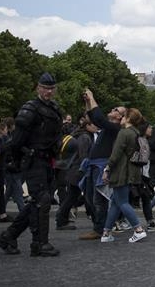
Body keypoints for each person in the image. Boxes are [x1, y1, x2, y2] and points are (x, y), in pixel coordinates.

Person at [0, 73, 64, 256]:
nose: (48, 92)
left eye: (51, 88)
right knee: (42, 200)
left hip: (46, 160)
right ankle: (39, 243)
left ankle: (8, 236)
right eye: (45, 88)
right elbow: (17, 141)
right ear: (38, 88)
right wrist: (17, 161)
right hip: (33, 159)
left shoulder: (54, 108)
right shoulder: (30, 109)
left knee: (38, 201)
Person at [79, 90, 126, 241]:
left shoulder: (116, 128)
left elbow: (98, 117)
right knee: (90, 197)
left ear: (120, 117)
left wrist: (92, 97)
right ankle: (102, 226)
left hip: (101, 166)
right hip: (94, 166)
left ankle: (101, 228)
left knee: (99, 199)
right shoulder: (108, 127)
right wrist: (88, 102)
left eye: (115, 110)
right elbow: (93, 117)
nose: (112, 110)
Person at [100, 108, 148, 244]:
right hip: (132, 170)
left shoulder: (124, 133)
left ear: (128, 118)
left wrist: (107, 168)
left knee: (122, 202)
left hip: (121, 171)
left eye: (123, 116)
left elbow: (115, 154)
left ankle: (138, 230)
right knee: (116, 202)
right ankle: (106, 232)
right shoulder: (136, 133)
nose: (121, 118)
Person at [55, 116, 97, 230]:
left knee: (73, 197)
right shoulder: (85, 137)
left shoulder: (82, 135)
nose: (96, 126)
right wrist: (86, 170)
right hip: (78, 171)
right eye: (94, 124)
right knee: (82, 197)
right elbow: (83, 156)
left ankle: (61, 219)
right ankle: (61, 219)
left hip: (75, 170)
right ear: (87, 126)